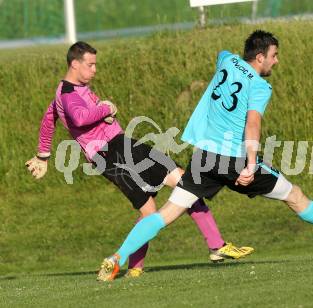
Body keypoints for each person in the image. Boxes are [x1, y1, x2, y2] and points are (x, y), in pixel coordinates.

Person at [97, 30, 313, 282]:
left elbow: (223, 53)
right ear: (260, 57)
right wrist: (251, 163)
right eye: (274, 55)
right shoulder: (261, 87)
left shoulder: (227, 61)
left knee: (167, 213)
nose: (276, 61)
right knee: (294, 195)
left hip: (203, 158)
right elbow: (253, 124)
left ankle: (116, 258)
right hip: (234, 161)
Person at [25, 41, 254, 279]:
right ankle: (213, 246)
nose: (94, 70)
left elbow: (48, 119)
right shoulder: (68, 93)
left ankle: (136, 267)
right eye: (90, 65)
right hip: (114, 151)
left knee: (163, 200)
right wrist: (106, 108)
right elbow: (80, 118)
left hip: (116, 150)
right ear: (74, 64)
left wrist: (44, 154)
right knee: (178, 189)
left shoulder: (65, 91)